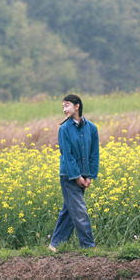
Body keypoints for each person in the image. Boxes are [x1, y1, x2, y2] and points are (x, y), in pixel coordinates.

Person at [49, 94, 99, 251]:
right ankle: (88, 247)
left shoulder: (92, 128)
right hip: (69, 176)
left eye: (67, 105)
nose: (64, 109)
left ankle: (55, 246)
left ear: (77, 106)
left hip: (84, 176)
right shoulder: (64, 129)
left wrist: (89, 176)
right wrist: (77, 177)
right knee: (79, 211)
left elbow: (94, 153)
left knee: (70, 212)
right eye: (63, 106)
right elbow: (67, 155)